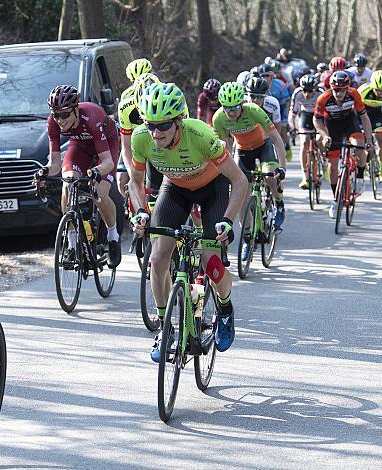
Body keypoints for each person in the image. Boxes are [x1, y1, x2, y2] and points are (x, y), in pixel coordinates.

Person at [128, 82, 248, 360]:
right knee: (157, 259)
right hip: (175, 190)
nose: (156, 133)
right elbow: (134, 181)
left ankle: (226, 308)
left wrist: (228, 220)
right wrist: (140, 212)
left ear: (178, 121)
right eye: (150, 125)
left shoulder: (201, 135)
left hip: (212, 190)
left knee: (210, 260)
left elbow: (240, 181)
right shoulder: (140, 139)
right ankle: (165, 327)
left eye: (164, 126)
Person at [41, 85, 121, 268]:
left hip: (107, 144)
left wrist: (96, 172)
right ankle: (71, 242)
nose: (60, 120)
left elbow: (107, 162)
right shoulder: (52, 123)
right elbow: (54, 164)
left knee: (99, 195)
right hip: (80, 146)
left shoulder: (91, 116)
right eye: (56, 114)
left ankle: (112, 237)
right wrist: (44, 172)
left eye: (64, 114)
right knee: (67, 183)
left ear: (76, 110)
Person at [212, 81, 287, 261]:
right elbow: (225, 147)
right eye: (227, 108)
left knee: (270, 175)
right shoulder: (219, 118)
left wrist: (282, 167)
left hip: (263, 147)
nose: (231, 113)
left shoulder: (254, 111)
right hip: (243, 152)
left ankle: (278, 202)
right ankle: (247, 239)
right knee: (240, 197)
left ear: (242, 104)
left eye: (235, 108)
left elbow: (276, 139)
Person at [313, 71, 374, 218]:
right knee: (333, 166)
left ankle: (359, 176)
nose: (338, 93)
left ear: (347, 88)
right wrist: (324, 135)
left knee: (359, 145)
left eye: (341, 90)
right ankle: (336, 199)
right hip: (332, 126)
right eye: (335, 89)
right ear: (331, 88)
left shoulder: (354, 95)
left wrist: (369, 140)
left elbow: (364, 118)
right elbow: (316, 120)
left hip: (349, 123)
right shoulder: (323, 99)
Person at [116, 58, 154, 196]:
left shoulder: (162, 91)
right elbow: (126, 146)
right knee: (122, 181)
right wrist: (133, 173)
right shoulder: (126, 98)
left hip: (155, 139)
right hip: (134, 140)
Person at [358, 71, 382, 182]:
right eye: (377, 90)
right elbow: (354, 107)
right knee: (362, 140)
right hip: (362, 113)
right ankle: (362, 163)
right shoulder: (363, 91)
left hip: (376, 114)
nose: (380, 92)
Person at [289, 74, 323, 189]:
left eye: (310, 91)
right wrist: (292, 127)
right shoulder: (298, 93)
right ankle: (305, 176)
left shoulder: (321, 93)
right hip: (306, 115)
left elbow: (328, 115)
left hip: (320, 116)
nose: (307, 94)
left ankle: (324, 163)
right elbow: (292, 114)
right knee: (304, 141)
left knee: (319, 140)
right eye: (305, 90)